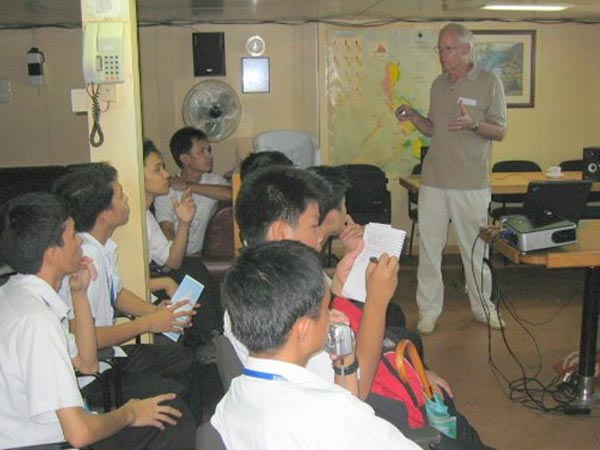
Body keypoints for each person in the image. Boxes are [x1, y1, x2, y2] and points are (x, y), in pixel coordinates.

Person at [0, 192, 195, 450]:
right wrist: (130, 413)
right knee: (173, 418)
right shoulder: (38, 322)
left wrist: (79, 292)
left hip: (40, 436)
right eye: (72, 235)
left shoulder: (13, 293)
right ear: (52, 254)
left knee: (168, 410)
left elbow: (88, 363)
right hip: (44, 443)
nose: (80, 240)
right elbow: (79, 434)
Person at [212, 239, 422, 450]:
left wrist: (346, 364)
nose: (331, 315)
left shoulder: (230, 402)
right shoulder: (334, 415)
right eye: (325, 309)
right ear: (303, 329)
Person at [230, 165, 399, 400]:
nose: (320, 236)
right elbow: (356, 391)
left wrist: (338, 286)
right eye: (312, 226)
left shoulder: (254, 280)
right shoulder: (287, 305)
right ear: (280, 233)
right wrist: (377, 303)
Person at [52, 163, 201, 419]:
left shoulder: (102, 248)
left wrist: (159, 312)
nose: (128, 198)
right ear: (105, 215)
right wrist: (148, 323)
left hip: (109, 355)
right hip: (92, 375)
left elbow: (117, 294)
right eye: (121, 195)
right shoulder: (87, 260)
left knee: (183, 360)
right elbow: (88, 339)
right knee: (173, 399)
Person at [395, 22, 507, 335]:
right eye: (440, 48)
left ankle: (483, 307)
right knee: (430, 251)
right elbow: (435, 128)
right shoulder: (438, 85)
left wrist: (474, 124)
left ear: (466, 49)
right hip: (433, 181)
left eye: (447, 48)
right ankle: (428, 311)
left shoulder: (488, 82)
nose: (441, 54)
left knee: (475, 250)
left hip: (471, 183)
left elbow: (499, 130)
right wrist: (415, 117)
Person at [143, 140, 224, 346]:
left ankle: (211, 336)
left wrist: (185, 222)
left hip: (156, 273)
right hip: (140, 285)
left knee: (191, 267)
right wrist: (164, 282)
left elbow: (173, 261)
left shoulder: (145, 215)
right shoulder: (131, 217)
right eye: (158, 170)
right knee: (191, 270)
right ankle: (211, 337)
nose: (166, 175)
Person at [154, 128, 232, 257]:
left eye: (209, 150)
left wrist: (187, 186)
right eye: (202, 151)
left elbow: (230, 194)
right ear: (185, 159)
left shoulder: (214, 181)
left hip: (201, 256)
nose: (209, 156)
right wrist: (178, 257)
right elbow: (166, 229)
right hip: (176, 256)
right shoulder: (166, 190)